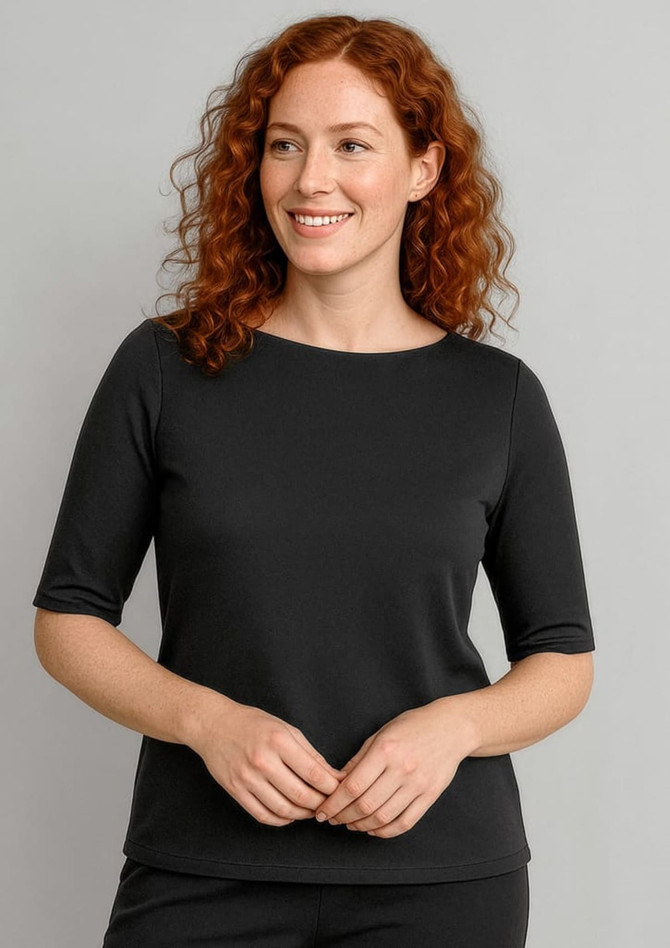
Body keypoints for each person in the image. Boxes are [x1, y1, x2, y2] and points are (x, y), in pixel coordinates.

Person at [32, 13, 595, 948]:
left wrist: (451, 730)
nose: (311, 180)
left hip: (441, 883)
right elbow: (68, 620)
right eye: (284, 145)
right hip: (203, 871)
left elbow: (563, 660)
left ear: (423, 170)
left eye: (352, 145)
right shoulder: (166, 368)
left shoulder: (495, 398)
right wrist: (206, 720)